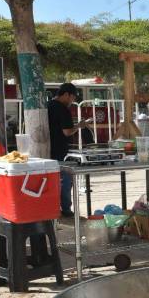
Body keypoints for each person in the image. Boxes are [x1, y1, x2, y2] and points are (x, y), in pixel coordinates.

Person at [47, 83, 86, 218]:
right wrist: (79, 126)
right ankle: (66, 210)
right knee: (65, 180)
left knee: (52, 181)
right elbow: (67, 132)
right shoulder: (63, 109)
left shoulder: (48, 105)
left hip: (47, 150)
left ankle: (53, 209)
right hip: (60, 151)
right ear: (66, 94)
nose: (72, 101)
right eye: (72, 98)